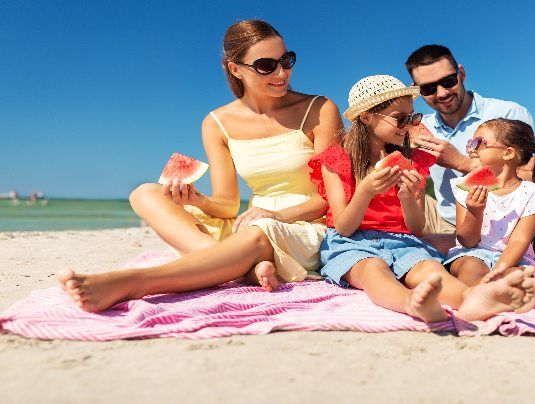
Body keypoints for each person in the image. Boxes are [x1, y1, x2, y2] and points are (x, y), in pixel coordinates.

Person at [56, 19, 343, 311]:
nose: (282, 72)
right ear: (235, 69)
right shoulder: (216, 123)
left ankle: (133, 283)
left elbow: (335, 195)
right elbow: (229, 205)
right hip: (250, 222)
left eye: (286, 60)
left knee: (260, 231)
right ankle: (236, 267)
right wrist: (197, 200)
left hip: (306, 224)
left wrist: (276, 215)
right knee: (144, 193)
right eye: (266, 65)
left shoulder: (320, 109)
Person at [308, 75, 535, 322]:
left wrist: (408, 198)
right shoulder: (336, 159)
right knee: (372, 270)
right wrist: (365, 191)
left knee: (430, 269)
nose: (408, 125)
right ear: (366, 117)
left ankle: (475, 298)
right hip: (351, 243)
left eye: (412, 117)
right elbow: (343, 227)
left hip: (403, 240)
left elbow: (416, 228)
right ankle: (411, 303)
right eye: (400, 118)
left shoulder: (413, 160)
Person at [404, 45, 535, 243]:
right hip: (444, 221)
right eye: (428, 88)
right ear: (417, 90)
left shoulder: (507, 113)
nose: (441, 93)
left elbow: (529, 177)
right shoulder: (420, 126)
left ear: (462, 74)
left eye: (448, 81)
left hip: (501, 225)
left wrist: (463, 163)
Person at [444, 118, 535, 312]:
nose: (471, 148)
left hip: (514, 258)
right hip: (472, 252)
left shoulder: (534, 194)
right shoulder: (463, 187)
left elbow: (518, 242)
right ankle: (489, 293)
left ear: (508, 153)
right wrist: (474, 212)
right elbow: (466, 240)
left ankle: (515, 294)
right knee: (470, 267)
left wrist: (499, 271)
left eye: (479, 143)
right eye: (470, 142)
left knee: (520, 274)